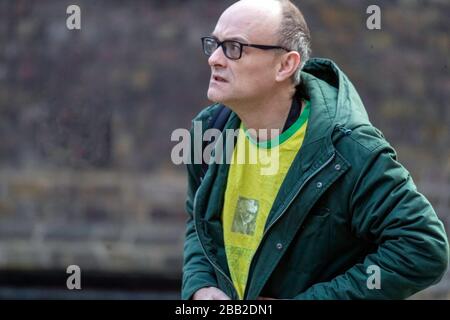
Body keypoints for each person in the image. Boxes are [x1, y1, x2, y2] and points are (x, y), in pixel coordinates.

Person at [182, 0, 449, 300]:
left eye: (234, 48)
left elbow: (424, 248)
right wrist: (200, 287)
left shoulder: (349, 150)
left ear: (286, 65)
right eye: (214, 44)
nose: (214, 59)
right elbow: (199, 222)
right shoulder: (209, 132)